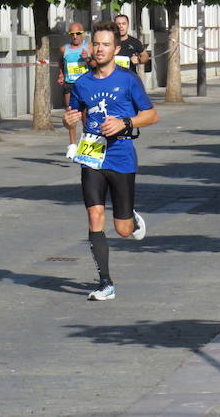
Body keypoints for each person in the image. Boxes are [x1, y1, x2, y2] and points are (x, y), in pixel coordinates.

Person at [63, 20, 159, 301]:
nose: (100, 49)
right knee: (94, 214)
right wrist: (67, 120)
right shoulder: (82, 83)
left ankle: (132, 218)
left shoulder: (128, 80)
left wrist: (124, 122)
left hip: (121, 155)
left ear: (116, 48)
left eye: (106, 44)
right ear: (91, 47)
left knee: (123, 229)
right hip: (91, 154)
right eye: (97, 44)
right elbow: (72, 115)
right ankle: (105, 283)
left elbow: (152, 115)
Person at [57, 23, 90, 159]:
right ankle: (72, 145)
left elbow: (94, 63)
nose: (75, 37)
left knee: (85, 115)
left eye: (78, 34)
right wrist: (61, 75)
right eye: (72, 34)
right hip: (70, 85)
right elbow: (61, 62)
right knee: (71, 113)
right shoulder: (64, 49)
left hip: (85, 85)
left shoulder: (88, 47)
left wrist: (87, 58)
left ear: (82, 34)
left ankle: (87, 142)